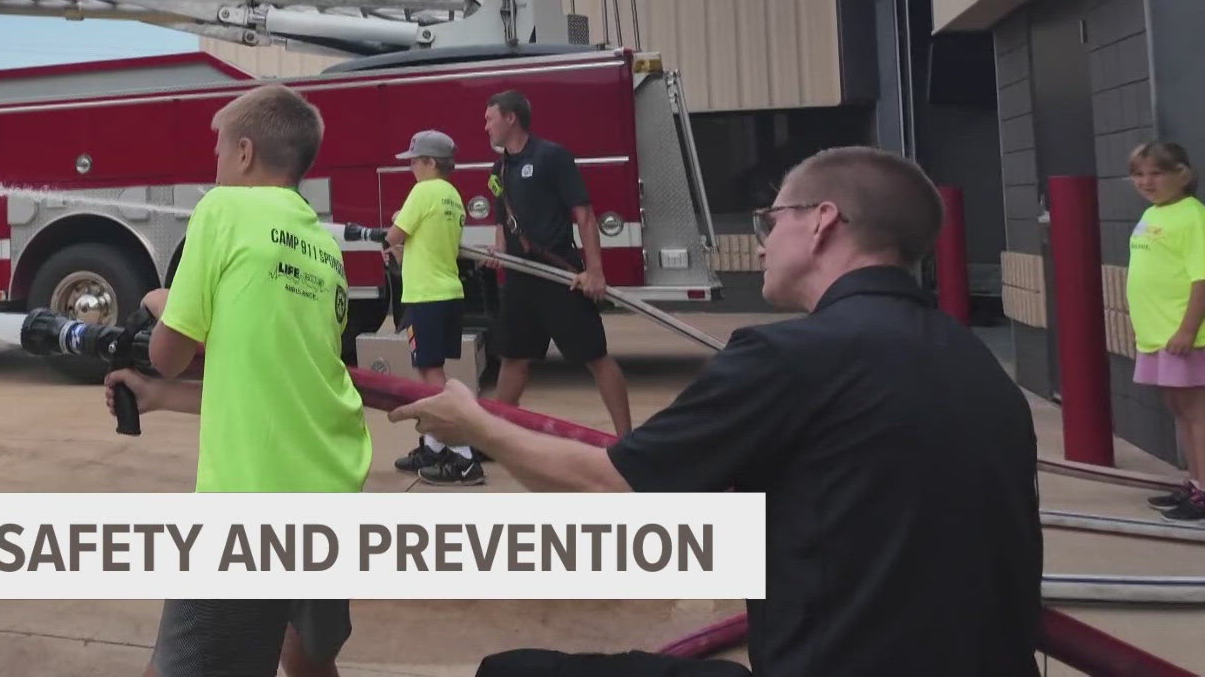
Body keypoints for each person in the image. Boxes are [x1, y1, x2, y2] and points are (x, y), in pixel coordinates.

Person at [392, 146, 1043, 677]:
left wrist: (477, 424)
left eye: (771, 219)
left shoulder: (791, 357)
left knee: (509, 674)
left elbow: (609, 489)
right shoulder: (974, 363)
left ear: (821, 220)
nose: (760, 243)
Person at [106, 83, 372, 677]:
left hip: (254, 507)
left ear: (246, 153)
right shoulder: (322, 247)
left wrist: (159, 300)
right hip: (331, 491)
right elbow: (277, 382)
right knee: (303, 659)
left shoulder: (223, 209)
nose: (218, 165)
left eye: (221, 152)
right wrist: (160, 397)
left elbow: (171, 352)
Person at [483, 89, 632, 436]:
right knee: (513, 358)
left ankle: (627, 438)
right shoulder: (500, 166)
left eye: (489, 119)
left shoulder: (553, 156)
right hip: (521, 280)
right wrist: (499, 250)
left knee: (595, 357)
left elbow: (585, 216)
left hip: (560, 277)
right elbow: (502, 217)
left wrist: (594, 271)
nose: (485, 127)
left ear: (510, 118)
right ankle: (495, 437)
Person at [383, 129, 485, 485]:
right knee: (431, 373)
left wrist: (394, 229)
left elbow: (393, 237)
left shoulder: (423, 191)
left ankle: (464, 456)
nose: (410, 167)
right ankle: (434, 447)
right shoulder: (453, 196)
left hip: (424, 297)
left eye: (414, 161)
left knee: (432, 379)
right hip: (448, 294)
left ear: (430, 163)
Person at [1124, 140, 1205, 521]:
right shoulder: (1154, 214)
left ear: (1182, 175)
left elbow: (1200, 279)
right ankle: (1195, 482)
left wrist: (1188, 329)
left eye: (1156, 172)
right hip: (1156, 335)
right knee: (1179, 410)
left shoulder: (1192, 216)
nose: (1146, 181)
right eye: (1139, 174)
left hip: (1183, 337)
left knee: (1195, 413)